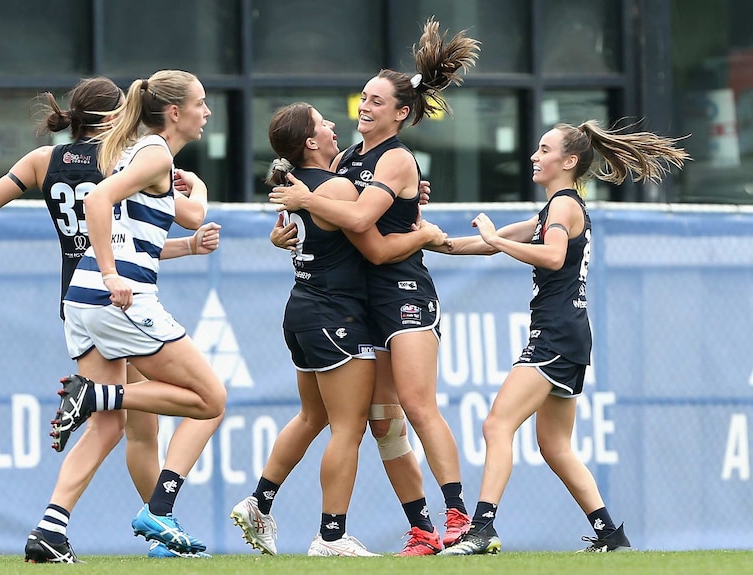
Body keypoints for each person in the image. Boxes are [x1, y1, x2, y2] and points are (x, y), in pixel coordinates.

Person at [0, 76, 222, 561]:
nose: (207, 112)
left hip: (77, 298)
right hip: (117, 295)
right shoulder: (136, 155)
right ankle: (159, 515)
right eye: (201, 104)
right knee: (206, 402)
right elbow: (112, 205)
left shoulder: (61, 160)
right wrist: (109, 273)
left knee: (110, 425)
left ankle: (50, 531)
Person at [267, 17, 480, 555]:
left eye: (377, 100)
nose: (364, 106)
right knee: (383, 423)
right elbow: (337, 213)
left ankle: (461, 517)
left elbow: (362, 223)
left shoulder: (397, 157)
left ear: (401, 113)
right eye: (363, 97)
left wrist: (306, 202)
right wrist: (289, 234)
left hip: (404, 292)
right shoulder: (347, 158)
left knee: (415, 402)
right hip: (363, 302)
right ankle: (422, 528)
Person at [435, 120, 689, 555]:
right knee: (554, 445)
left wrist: (496, 238)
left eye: (544, 149)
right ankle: (611, 535)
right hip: (569, 336)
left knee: (497, 424)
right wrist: (419, 237)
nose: (535, 155)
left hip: (555, 335)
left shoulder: (564, 207)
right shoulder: (553, 211)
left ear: (569, 162)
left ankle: (482, 530)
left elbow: (551, 257)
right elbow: (477, 245)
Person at [230, 103, 448, 557]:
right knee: (347, 429)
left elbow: (357, 204)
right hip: (336, 317)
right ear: (310, 143)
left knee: (313, 417)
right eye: (322, 123)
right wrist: (424, 234)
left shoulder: (304, 182)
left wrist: (405, 193)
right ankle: (331, 535)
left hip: (303, 311)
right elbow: (374, 243)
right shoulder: (336, 186)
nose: (333, 125)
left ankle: (259, 502)